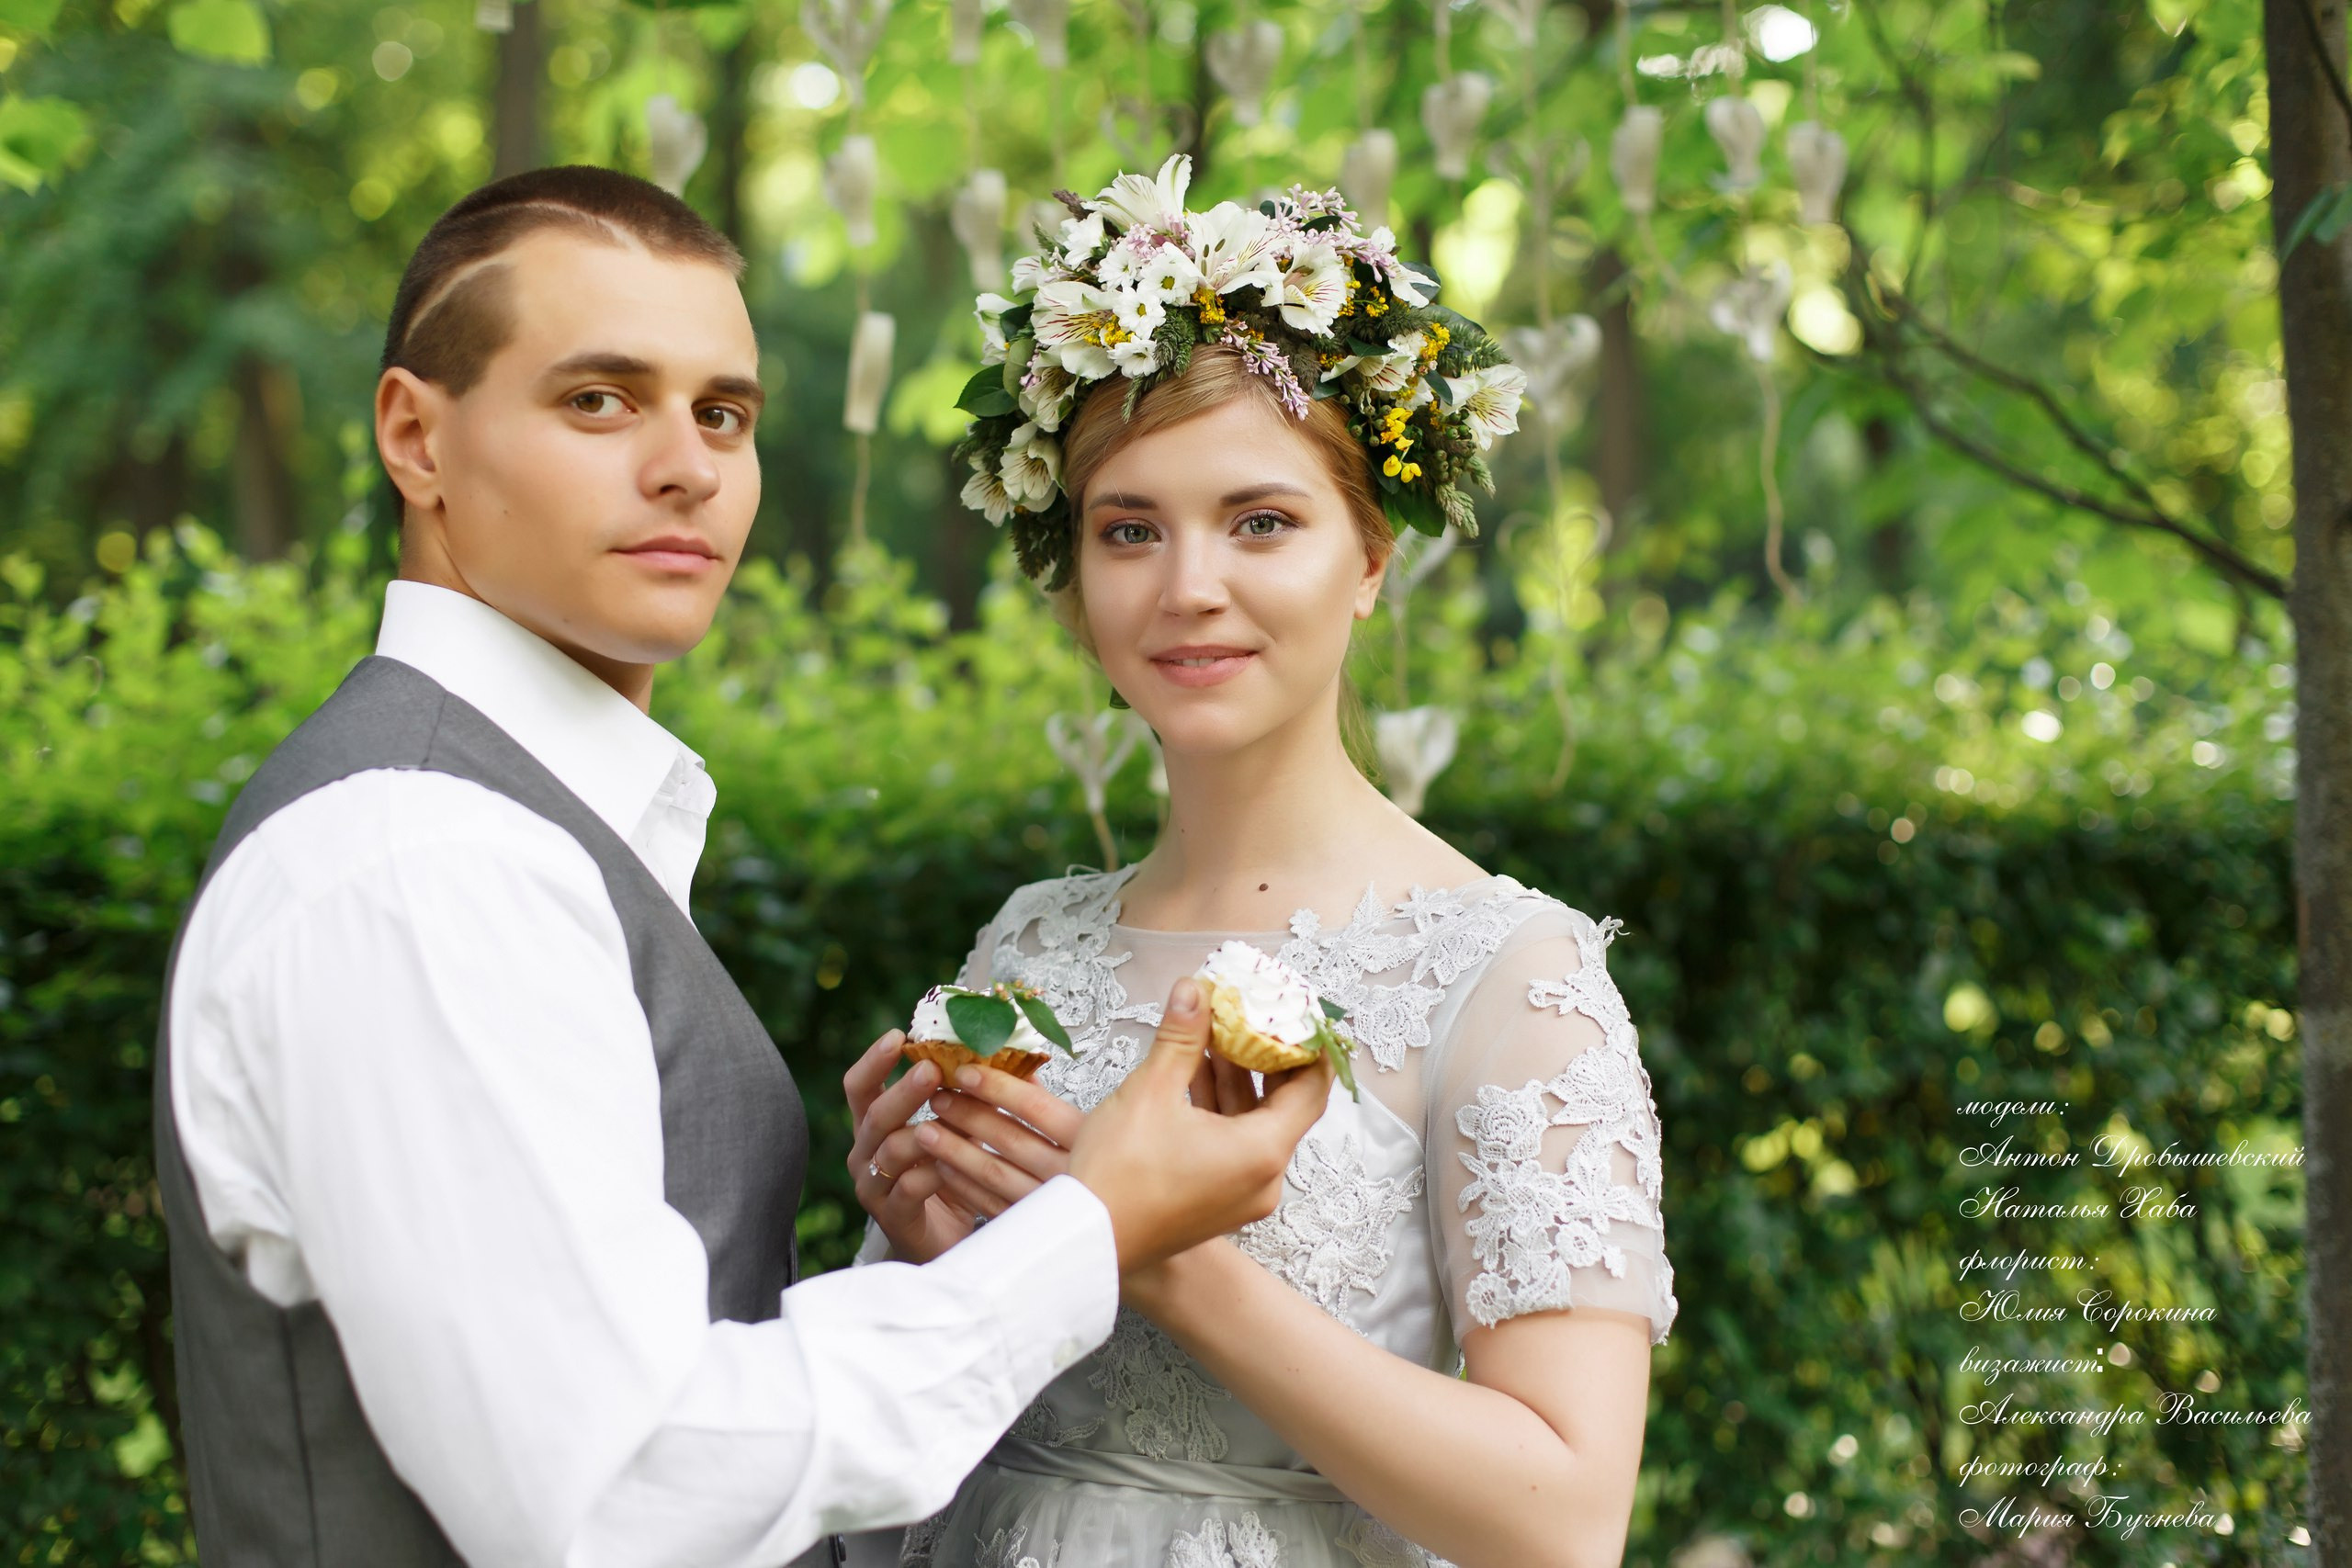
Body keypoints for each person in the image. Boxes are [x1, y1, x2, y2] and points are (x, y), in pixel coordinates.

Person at [153, 164, 1330, 1568]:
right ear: (416, 437)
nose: (687, 466)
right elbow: (620, 1489)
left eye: (723, 413)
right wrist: (1094, 1223)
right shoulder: (421, 859)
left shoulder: (529, 826)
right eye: (599, 400)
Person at [848, 156, 1678, 1568]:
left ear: (1370, 559)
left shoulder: (1510, 978)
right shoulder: (1027, 947)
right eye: (1129, 531)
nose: (1188, 588)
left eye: (1262, 522)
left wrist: (1156, 1251)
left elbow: (1565, 1519)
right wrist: (922, 1250)